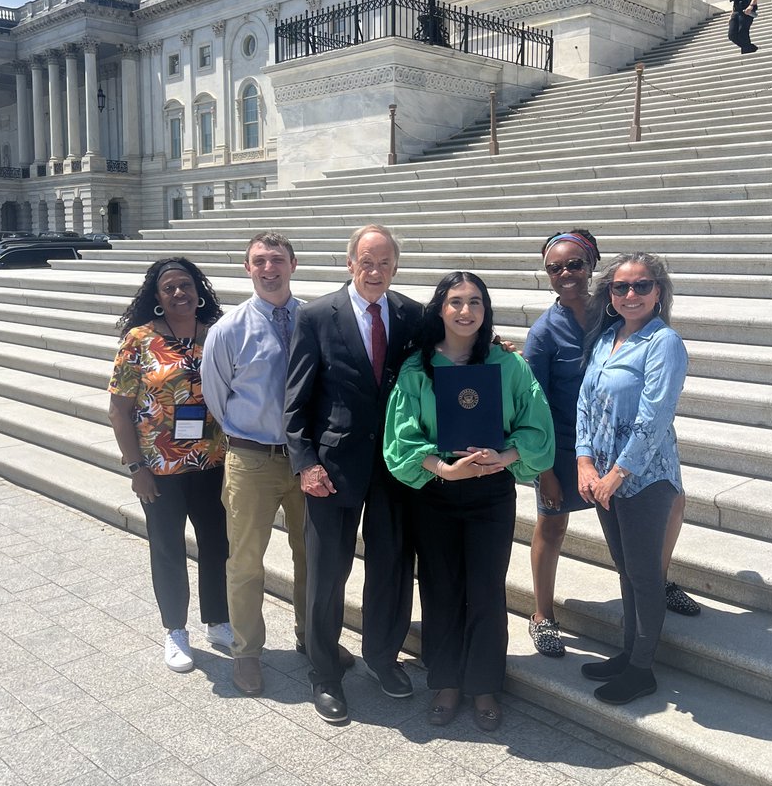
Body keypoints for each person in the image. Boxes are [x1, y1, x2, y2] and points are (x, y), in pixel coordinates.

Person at [384, 272, 555, 732]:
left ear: (486, 309)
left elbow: (536, 424)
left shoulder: (508, 364)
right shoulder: (418, 368)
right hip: (436, 493)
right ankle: (446, 682)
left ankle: (484, 685)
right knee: (439, 588)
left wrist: (504, 456)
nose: (465, 311)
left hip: (490, 495)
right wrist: (443, 469)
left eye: (475, 302)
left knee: (485, 590)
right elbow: (402, 437)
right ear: (440, 308)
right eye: (455, 301)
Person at [525, 231, 699, 659]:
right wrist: (547, 468)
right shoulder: (546, 331)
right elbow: (532, 402)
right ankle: (543, 615)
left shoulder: (614, 314)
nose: (566, 274)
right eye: (555, 268)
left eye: (575, 265)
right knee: (553, 522)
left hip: (630, 449)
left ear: (592, 266)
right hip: (569, 447)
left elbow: (653, 400)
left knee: (672, 504)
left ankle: (653, 583)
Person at [201, 231, 355, 698]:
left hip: (308, 461)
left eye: (277, 260)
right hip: (253, 459)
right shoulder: (229, 329)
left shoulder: (316, 318)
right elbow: (215, 393)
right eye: (259, 261)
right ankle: (248, 651)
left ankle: (312, 637)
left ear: (293, 264)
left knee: (313, 556)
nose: (269, 269)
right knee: (246, 560)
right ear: (247, 269)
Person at [284, 223, 422, 725]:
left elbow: (445, 355)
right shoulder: (318, 315)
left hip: (393, 468)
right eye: (367, 261)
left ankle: (382, 658)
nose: (375, 271)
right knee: (327, 576)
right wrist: (305, 463)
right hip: (332, 469)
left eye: (385, 263)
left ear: (395, 267)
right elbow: (295, 400)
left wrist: (494, 348)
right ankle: (324, 674)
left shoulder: (411, 314)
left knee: (390, 570)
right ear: (349, 263)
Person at [108, 257, 231, 673]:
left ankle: (218, 620)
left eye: (187, 285)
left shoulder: (215, 334)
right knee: (168, 549)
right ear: (157, 297)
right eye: (170, 288)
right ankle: (175, 631)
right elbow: (118, 411)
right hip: (159, 467)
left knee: (218, 546)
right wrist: (135, 467)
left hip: (213, 462)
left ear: (200, 289)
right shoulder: (139, 340)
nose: (180, 293)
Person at [576, 253, 688, 704]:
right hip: (602, 477)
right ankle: (628, 653)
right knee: (625, 569)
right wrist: (585, 461)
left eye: (642, 286)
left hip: (643, 479)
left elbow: (654, 417)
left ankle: (642, 669)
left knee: (644, 575)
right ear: (610, 294)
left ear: (658, 292)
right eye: (621, 287)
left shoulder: (664, 343)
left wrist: (618, 473)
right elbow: (585, 402)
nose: (631, 295)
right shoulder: (607, 338)